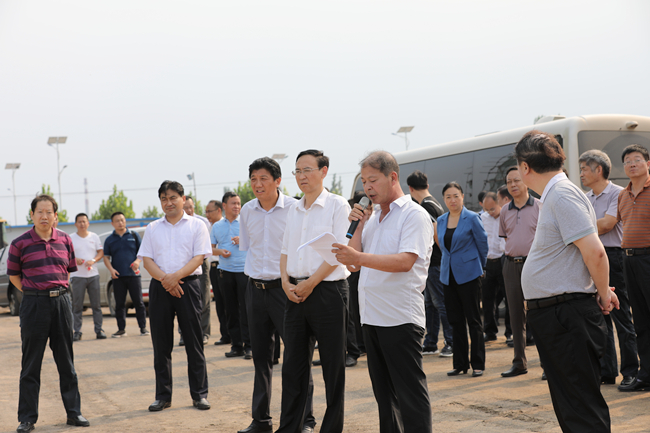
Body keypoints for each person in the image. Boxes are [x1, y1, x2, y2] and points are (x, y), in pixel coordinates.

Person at [517, 130, 618, 432]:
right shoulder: (557, 194)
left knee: (580, 406)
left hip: (566, 314)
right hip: (559, 313)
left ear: (525, 167)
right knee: (572, 403)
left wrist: (603, 293)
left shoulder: (561, 195)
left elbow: (595, 252)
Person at [335, 151, 433, 432]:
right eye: (364, 182)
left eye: (373, 180)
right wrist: (359, 226)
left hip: (400, 318)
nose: (367, 188)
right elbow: (353, 264)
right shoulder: (374, 217)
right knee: (385, 398)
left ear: (392, 177)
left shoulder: (414, 215)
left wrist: (359, 258)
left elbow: (405, 262)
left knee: (410, 395)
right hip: (372, 317)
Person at [237, 157, 316, 433]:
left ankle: (304, 420)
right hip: (255, 290)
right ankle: (261, 420)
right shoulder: (247, 210)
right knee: (260, 358)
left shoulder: (296, 208)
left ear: (278, 181)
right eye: (253, 179)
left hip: (285, 290)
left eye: (263, 179)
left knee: (296, 356)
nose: (257, 184)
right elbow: (249, 248)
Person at [277, 150, 350, 433]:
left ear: (323, 171)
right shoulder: (294, 209)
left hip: (328, 292)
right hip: (295, 292)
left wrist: (311, 283)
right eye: (297, 171)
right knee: (293, 367)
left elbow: (338, 253)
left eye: (307, 169)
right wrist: (285, 282)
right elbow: (285, 250)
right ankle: (290, 427)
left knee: (333, 366)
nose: (301, 176)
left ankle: (331, 428)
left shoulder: (337, 205)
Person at [8, 194, 90, 432]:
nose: (44, 216)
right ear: (32, 215)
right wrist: (34, 292)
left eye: (49, 212)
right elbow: (14, 276)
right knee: (31, 363)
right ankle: (27, 418)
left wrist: (56, 292)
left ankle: (74, 413)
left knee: (66, 361)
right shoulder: (19, 243)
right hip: (34, 305)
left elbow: (68, 271)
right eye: (39, 212)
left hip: (62, 303)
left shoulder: (65, 240)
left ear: (56, 216)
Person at [139, 181, 212, 412]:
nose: (168, 202)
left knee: (194, 342)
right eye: (164, 198)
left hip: (188, 286)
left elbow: (199, 257)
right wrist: (166, 280)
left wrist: (176, 278)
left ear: (183, 198)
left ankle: (199, 394)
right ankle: (163, 396)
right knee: (161, 344)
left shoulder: (197, 225)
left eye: (172, 197)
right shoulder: (152, 228)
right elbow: (147, 260)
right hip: (160, 287)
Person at [579, 149, 638, 388]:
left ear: (598, 170)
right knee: (601, 316)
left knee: (621, 316)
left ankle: (631, 371)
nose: (581, 174)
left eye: (584, 169)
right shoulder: (585, 198)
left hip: (614, 257)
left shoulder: (617, 193)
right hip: (592, 257)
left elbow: (607, 224)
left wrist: (582, 227)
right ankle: (607, 371)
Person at [437, 182, 488, 377]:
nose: (452, 200)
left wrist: (480, 267)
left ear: (462, 197)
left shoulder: (472, 218)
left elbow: (482, 244)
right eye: (448, 197)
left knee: (473, 320)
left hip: (469, 275)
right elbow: (444, 248)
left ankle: (478, 364)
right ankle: (460, 364)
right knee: (455, 321)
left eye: (456, 196)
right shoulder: (441, 220)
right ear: (444, 199)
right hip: (448, 276)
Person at [499, 166, 541, 378]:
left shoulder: (540, 206)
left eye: (516, 180)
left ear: (526, 181)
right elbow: (507, 238)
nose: (513, 185)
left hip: (535, 265)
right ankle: (519, 362)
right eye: (509, 182)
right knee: (515, 315)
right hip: (511, 265)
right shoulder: (504, 211)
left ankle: (547, 364)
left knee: (540, 314)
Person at [407, 170, 453, 357]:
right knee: (431, 305)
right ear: (426, 184)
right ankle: (431, 342)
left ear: (410, 188)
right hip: (433, 263)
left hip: (435, 262)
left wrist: (446, 258)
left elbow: (436, 234)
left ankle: (450, 341)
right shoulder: (434, 203)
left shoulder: (426, 206)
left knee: (440, 303)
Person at [616, 144, 650, 392]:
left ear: (648, 164)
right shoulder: (622, 195)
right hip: (628, 260)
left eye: (637, 159)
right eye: (627, 161)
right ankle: (645, 375)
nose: (632, 164)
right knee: (640, 322)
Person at [211, 191, 250, 358]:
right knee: (231, 310)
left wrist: (244, 240)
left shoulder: (246, 223)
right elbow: (209, 249)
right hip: (225, 273)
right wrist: (220, 251)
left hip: (244, 271)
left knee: (246, 310)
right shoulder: (216, 226)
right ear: (224, 206)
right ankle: (236, 346)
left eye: (238, 203)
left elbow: (258, 242)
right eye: (233, 203)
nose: (237, 206)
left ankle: (249, 346)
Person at [103, 211, 149, 338]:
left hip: (134, 275)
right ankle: (121, 329)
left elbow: (142, 252)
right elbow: (106, 257)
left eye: (122, 220)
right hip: (118, 276)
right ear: (112, 223)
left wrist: (137, 261)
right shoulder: (109, 240)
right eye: (117, 221)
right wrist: (111, 270)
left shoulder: (133, 236)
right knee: (119, 304)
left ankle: (143, 328)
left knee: (139, 302)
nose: (120, 222)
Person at [180, 196, 212, 346]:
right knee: (183, 300)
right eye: (185, 207)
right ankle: (184, 334)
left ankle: (203, 333)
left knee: (204, 299)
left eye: (190, 207)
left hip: (201, 263)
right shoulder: (176, 223)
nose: (188, 210)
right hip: (183, 265)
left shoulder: (202, 222)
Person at [69, 212, 105, 341]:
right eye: (79, 221)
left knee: (96, 305)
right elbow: (66, 254)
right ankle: (77, 331)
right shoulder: (71, 238)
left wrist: (93, 260)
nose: (82, 224)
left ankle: (99, 330)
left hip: (93, 275)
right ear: (75, 224)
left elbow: (100, 252)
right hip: (77, 276)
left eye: (84, 221)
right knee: (77, 306)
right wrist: (75, 260)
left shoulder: (94, 237)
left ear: (88, 223)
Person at [480, 193, 506, 342]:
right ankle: (490, 331)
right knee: (487, 300)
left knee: (508, 298)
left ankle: (510, 332)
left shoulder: (506, 216)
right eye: (487, 209)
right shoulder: (482, 219)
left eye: (492, 209)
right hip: (488, 262)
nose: (490, 212)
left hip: (503, 260)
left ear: (499, 204)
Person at [205, 199, 231, 346]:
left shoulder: (225, 226)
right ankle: (225, 334)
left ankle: (236, 335)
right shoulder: (208, 227)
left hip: (226, 267)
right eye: (206, 212)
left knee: (230, 303)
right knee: (220, 303)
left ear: (219, 210)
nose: (207, 214)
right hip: (213, 268)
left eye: (210, 211)